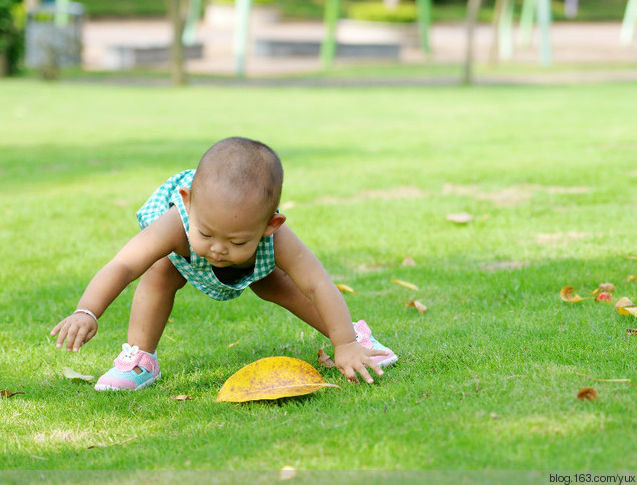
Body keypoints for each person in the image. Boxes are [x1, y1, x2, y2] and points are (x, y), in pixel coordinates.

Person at [50, 137, 397, 391]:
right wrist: (87, 311)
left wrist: (344, 344)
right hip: (180, 261)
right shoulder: (178, 221)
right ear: (188, 204)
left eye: (236, 241)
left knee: (279, 285)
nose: (217, 249)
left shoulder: (276, 237)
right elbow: (124, 265)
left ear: (270, 226)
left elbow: (318, 284)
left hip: (258, 267)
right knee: (159, 272)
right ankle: (140, 359)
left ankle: (352, 338)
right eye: (207, 233)